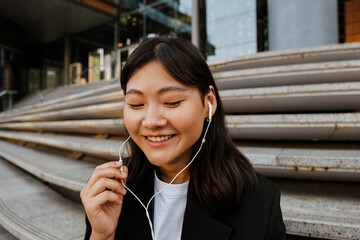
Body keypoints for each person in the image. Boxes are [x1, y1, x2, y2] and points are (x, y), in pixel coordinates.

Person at [80, 37, 286, 240]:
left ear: (208, 103)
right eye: (136, 104)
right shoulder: (111, 190)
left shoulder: (257, 204)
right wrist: (102, 235)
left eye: (172, 102)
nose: (151, 121)